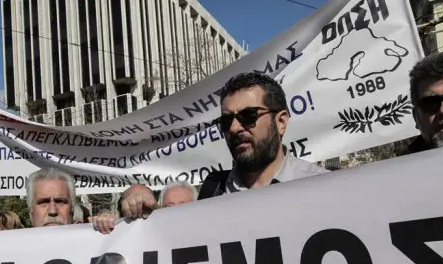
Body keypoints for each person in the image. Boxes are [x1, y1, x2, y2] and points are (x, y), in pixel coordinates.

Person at [199, 71, 328, 199]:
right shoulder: (212, 192)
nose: (234, 128)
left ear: (281, 122)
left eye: (248, 116)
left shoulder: (324, 188)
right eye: (226, 121)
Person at [91, 182, 196, 235]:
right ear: (120, 213)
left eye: (146, 206)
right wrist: (103, 224)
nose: (175, 213)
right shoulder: (114, 233)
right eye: (130, 207)